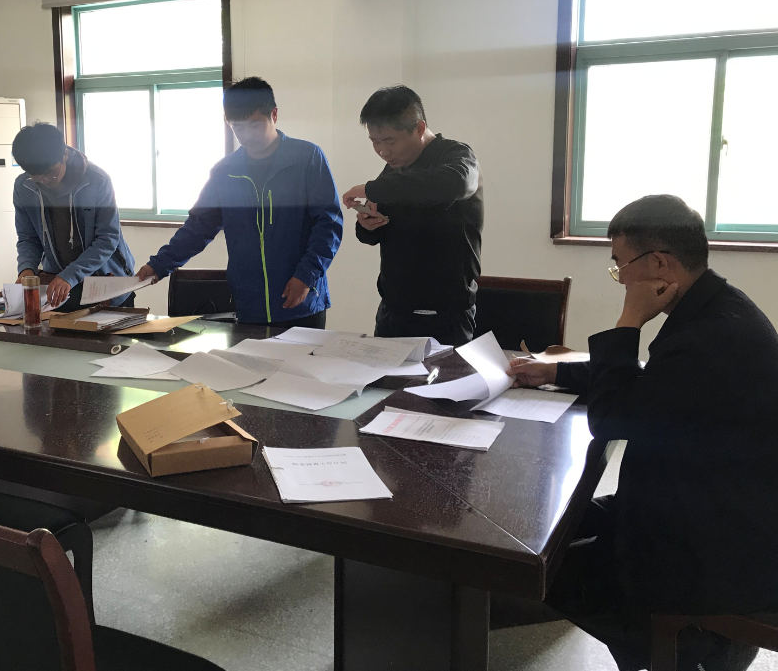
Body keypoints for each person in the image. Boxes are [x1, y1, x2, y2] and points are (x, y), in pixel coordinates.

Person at [510, 195, 778, 671]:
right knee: (545, 525)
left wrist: (628, 320)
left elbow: (612, 419)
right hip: (703, 500)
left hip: (714, 542)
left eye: (620, 265)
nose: (620, 278)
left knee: (545, 566)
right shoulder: (718, 308)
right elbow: (654, 385)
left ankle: (682, 646)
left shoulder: (710, 338)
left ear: (658, 263)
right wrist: (555, 372)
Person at [136, 77, 342, 329]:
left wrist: (306, 276)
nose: (247, 135)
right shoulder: (225, 171)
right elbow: (198, 228)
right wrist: (158, 265)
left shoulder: (307, 158)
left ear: (274, 115)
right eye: (238, 127)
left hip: (300, 302)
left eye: (255, 125)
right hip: (249, 304)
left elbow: (329, 225)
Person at [342, 86, 483, 346]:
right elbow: (379, 230)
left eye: (390, 141)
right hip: (393, 313)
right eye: (375, 141)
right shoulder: (394, 168)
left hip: (445, 317)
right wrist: (368, 225)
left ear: (419, 128)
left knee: (445, 376)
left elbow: (455, 183)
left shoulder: (457, 156)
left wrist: (372, 188)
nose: (383, 151)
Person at [12, 122, 136, 311]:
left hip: (106, 281)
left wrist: (70, 275)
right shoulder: (24, 186)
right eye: (36, 176)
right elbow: (28, 238)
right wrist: (27, 269)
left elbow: (107, 238)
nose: (44, 181)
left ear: (64, 154)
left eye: (51, 173)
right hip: (59, 284)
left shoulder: (97, 180)